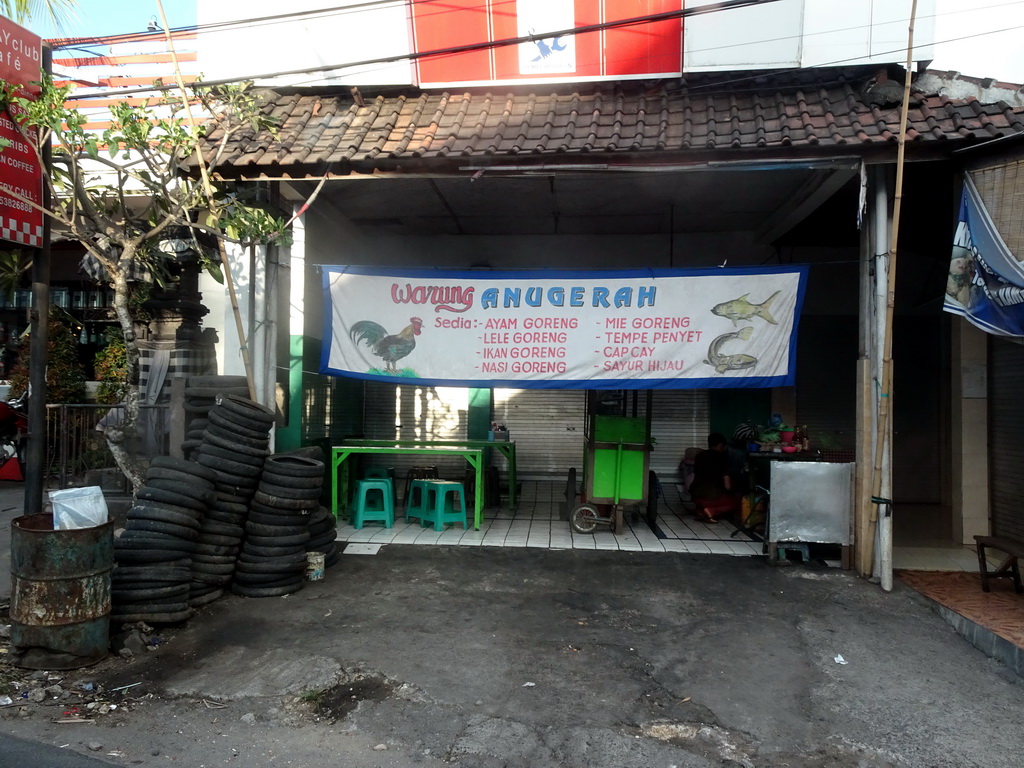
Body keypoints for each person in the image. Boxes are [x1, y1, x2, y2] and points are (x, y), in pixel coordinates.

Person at [688, 432, 742, 523]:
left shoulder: (699, 456)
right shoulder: (722, 458)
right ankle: (712, 511)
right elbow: (727, 485)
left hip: (695, 495)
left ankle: (701, 510)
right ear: (721, 445)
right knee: (736, 502)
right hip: (710, 497)